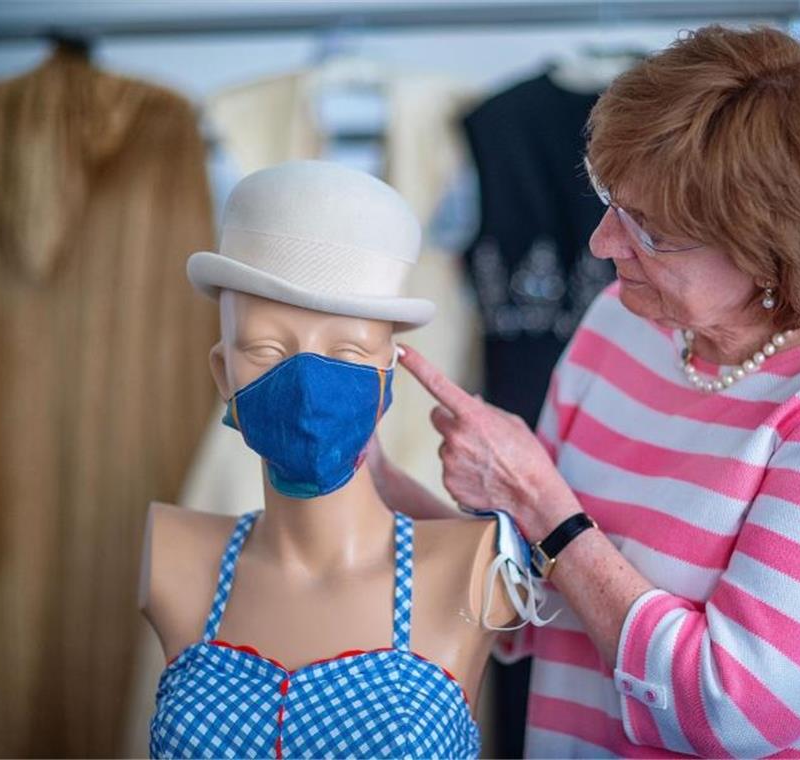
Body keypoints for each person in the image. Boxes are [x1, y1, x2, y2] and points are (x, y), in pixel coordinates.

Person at [370, 25, 800, 758]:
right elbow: (537, 601)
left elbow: (730, 715)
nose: (602, 243)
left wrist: (541, 502)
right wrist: (371, 477)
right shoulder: (622, 324)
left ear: (767, 250)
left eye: (650, 230)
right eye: (611, 201)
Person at [140, 160, 528, 759]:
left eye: (347, 351)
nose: (306, 385)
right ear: (223, 372)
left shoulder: (472, 567)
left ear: (387, 376)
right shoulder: (172, 554)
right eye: (267, 349)